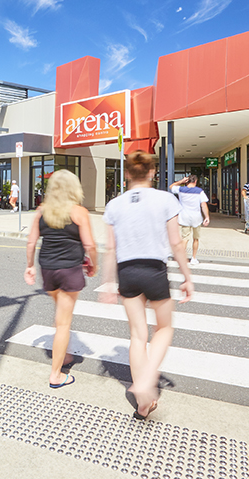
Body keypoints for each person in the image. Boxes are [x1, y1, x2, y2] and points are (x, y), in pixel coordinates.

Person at [101, 152, 194, 420]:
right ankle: (148, 380)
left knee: (137, 336)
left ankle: (143, 401)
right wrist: (187, 276)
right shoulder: (165, 199)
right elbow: (176, 243)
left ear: (127, 174)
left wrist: (108, 283)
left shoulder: (114, 205)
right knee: (164, 328)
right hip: (154, 270)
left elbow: (111, 248)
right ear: (152, 172)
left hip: (126, 272)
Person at [25, 170, 98, 388]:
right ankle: (56, 375)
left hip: (47, 269)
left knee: (60, 316)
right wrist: (93, 264)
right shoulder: (79, 212)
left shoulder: (41, 211)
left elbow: (31, 243)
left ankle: (63, 354)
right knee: (64, 323)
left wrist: (29, 266)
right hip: (69, 270)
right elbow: (90, 246)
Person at [169, 175, 210, 265]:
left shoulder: (181, 190)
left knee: (184, 239)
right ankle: (194, 258)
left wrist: (181, 181)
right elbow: (203, 205)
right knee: (196, 239)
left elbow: (171, 186)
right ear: (195, 181)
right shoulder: (199, 191)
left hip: (184, 217)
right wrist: (207, 217)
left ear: (187, 181)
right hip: (196, 218)